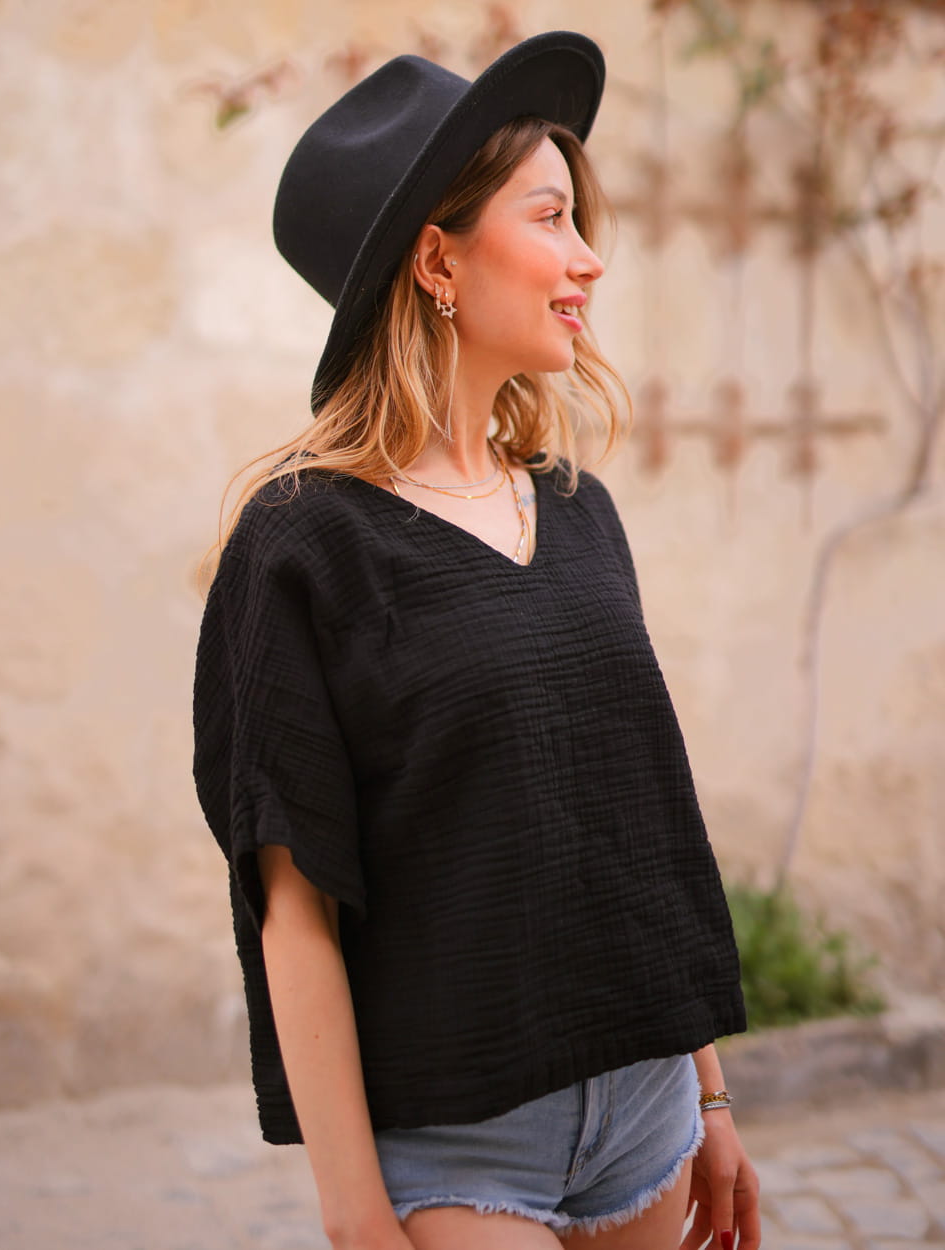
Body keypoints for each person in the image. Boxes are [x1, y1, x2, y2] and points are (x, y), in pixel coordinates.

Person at [193, 30, 760, 1250]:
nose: (588, 259)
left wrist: (706, 1091)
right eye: (551, 217)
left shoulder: (575, 507)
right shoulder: (299, 547)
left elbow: (634, 812)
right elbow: (293, 905)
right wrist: (357, 1215)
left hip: (649, 1114)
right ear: (437, 259)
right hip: (461, 1143)